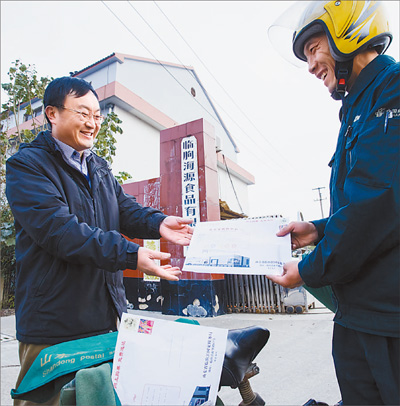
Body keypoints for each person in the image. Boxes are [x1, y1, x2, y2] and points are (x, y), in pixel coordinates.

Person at [6, 76, 193, 405]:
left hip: (105, 320)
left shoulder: (99, 167)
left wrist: (160, 222)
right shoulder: (27, 166)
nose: (92, 124)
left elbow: (124, 210)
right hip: (54, 328)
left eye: (97, 115)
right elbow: (60, 232)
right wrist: (132, 255)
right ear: (52, 113)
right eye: (82, 113)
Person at [267, 1, 399, 405]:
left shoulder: (392, 89)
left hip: (389, 319)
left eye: (312, 49)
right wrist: (317, 229)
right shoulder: (357, 106)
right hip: (360, 313)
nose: (310, 66)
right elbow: (360, 198)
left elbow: (377, 205)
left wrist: (307, 269)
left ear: (347, 31)